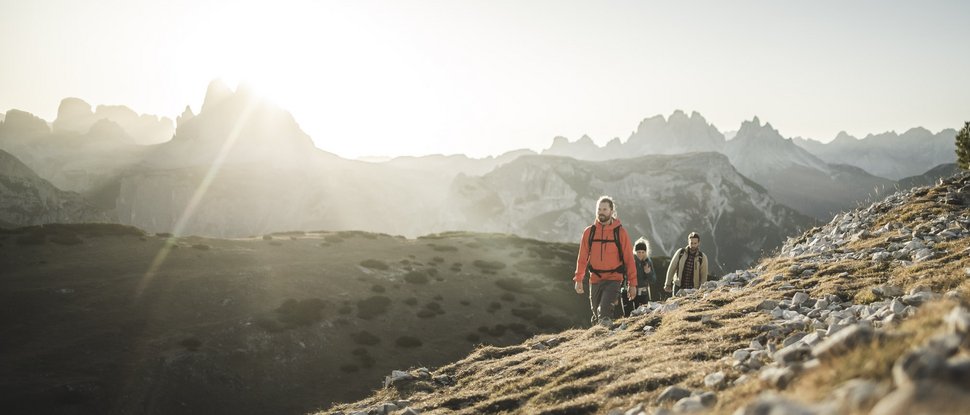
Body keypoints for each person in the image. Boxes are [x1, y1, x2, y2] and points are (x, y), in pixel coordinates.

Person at [572, 196, 637, 327]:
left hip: (614, 279)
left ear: (612, 211)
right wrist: (578, 279)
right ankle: (601, 335)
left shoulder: (620, 232)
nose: (601, 212)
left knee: (604, 311)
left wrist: (633, 284)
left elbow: (629, 259)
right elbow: (582, 257)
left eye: (604, 209)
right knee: (597, 314)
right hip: (595, 279)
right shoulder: (589, 232)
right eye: (599, 209)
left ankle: (605, 333)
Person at [664, 232, 708, 296]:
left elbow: (703, 275)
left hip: (693, 289)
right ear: (688, 242)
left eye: (695, 243)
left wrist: (702, 290)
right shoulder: (680, 252)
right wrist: (667, 284)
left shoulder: (702, 257)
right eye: (691, 243)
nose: (693, 245)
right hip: (678, 287)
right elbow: (672, 268)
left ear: (699, 243)